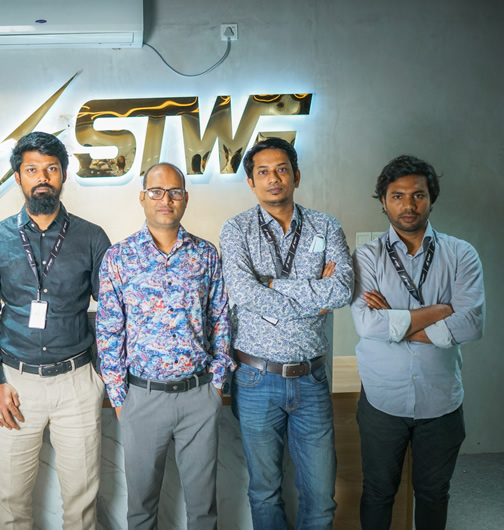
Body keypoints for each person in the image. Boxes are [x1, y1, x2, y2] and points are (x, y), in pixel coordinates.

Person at [0, 131, 111, 529]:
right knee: (12, 504)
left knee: (82, 505)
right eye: (32, 170)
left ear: (64, 174)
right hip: (15, 385)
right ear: (18, 177)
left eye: (51, 169)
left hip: (76, 384)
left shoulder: (91, 237)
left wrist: (102, 376)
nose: (42, 178)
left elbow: (113, 313)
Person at [219, 137, 353, 529]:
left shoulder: (325, 226)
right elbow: (243, 292)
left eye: (281, 169)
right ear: (251, 182)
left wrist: (272, 285)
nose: (273, 178)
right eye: (263, 172)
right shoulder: (236, 229)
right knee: (265, 492)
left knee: (321, 497)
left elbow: (342, 290)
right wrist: (312, 297)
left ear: (296, 175)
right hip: (255, 379)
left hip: (311, 378)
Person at [96, 162, 234, 529]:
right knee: (141, 509)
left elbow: (220, 320)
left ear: (185, 198)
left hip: (198, 396)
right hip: (142, 398)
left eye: (174, 192)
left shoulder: (206, 254)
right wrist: (120, 399)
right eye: (156, 192)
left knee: (203, 509)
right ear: (142, 197)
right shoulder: (119, 257)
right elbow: (109, 332)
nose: (166, 199)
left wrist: (216, 384)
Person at [351, 155, 485, 529]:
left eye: (418, 195)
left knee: (434, 493)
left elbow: (471, 324)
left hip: (440, 400)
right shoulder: (367, 256)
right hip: (382, 400)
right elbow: (367, 324)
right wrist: (440, 311)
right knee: (377, 492)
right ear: (383, 201)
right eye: (397, 196)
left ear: (431, 199)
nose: (408, 205)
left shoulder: (461, 254)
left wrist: (396, 321)